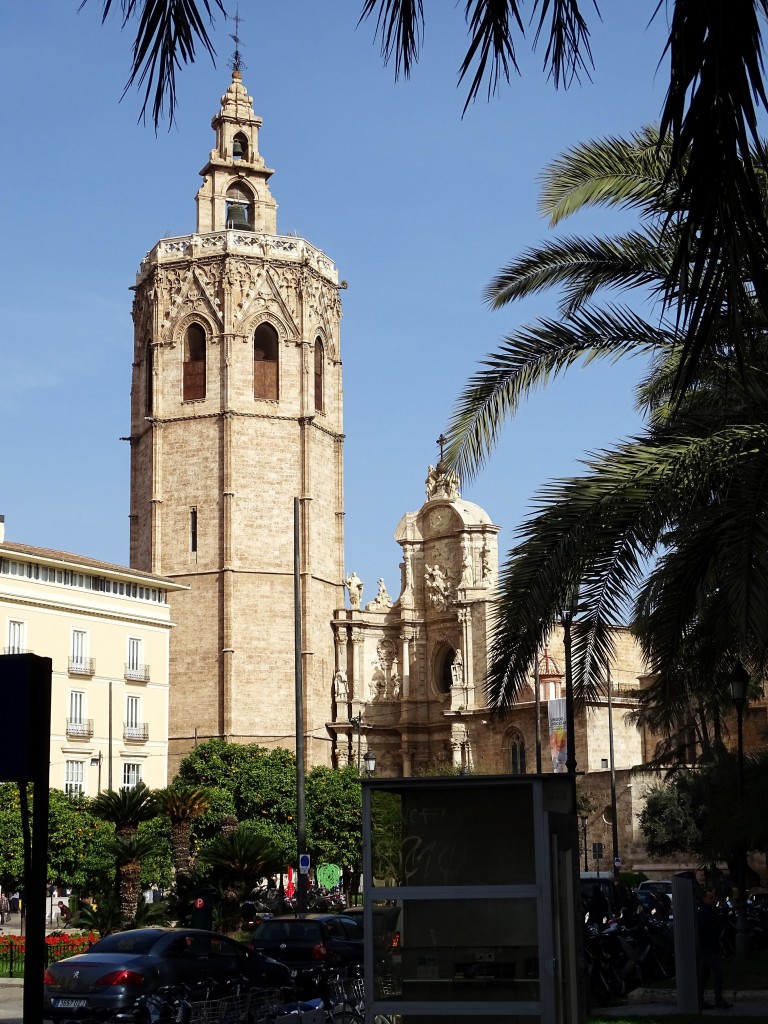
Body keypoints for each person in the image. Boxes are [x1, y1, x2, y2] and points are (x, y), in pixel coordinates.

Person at [698, 889, 732, 1009]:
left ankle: (700, 1000)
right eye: (711, 898)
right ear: (704, 899)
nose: (714, 899)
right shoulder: (703, 912)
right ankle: (718, 999)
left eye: (714, 897)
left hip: (709, 947)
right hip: (707, 948)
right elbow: (701, 931)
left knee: (704, 974)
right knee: (717, 972)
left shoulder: (711, 911)